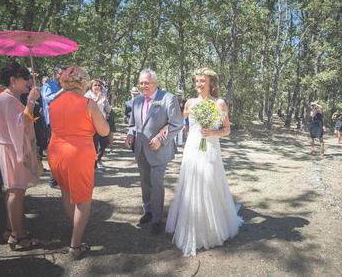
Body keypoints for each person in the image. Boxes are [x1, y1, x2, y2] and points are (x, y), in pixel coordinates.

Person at [165, 67, 242, 257]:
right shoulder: (190, 103)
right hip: (192, 148)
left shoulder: (220, 103)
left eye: (202, 81)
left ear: (211, 83)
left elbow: (227, 130)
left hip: (210, 149)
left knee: (209, 184)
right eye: (197, 81)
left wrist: (213, 133)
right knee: (191, 184)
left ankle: (212, 229)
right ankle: (190, 226)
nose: (199, 84)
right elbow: (178, 122)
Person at [47, 67, 109, 259]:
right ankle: (75, 246)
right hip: (77, 154)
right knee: (83, 199)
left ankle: (76, 227)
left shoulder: (54, 103)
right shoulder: (88, 103)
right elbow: (105, 131)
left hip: (56, 151)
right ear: (82, 83)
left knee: (66, 191)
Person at [124, 69, 183, 235]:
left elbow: (177, 124)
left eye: (147, 83)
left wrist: (160, 139)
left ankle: (157, 219)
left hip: (159, 150)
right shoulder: (136, 101)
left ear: (155, 83)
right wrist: (129, 135)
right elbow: (132, 125)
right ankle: (147, 211)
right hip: (140, 149)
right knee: (145, 182)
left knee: (156, 183)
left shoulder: (168, 98)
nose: (144, 86)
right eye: (141, 83)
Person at [0, 62, 41, 250]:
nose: (29, 82)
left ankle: (11, 228)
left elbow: (21, 121)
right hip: (13, 149)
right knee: (16, 191)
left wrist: (29, 100)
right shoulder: (6, 99)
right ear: (13, 80)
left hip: (12, 147)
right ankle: (17, 234)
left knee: (14, 191)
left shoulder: (10, 98)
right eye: (25, 78)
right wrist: (31, 100)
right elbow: (20, 124)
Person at [41, 66, 64, 187]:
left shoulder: (66, 86)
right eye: (62, 73)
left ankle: (61, 176)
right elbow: (48, 99)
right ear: (56, 74)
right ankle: (53, 178)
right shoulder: (48, 86)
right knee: (54, 152)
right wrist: (62, 91)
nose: (65, 76)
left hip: (65, 122)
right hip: (52, 123)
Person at [85, 79, 111, 168]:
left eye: (99, 85)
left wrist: (105, 103)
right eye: (95, 85)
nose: (97, 87)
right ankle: (93, 164)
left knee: (104, 143)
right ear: (91, 87)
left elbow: (108, 110)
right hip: (91, 123)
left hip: (102, 123)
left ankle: (97, 159)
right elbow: (88, 108)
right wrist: (97, 99)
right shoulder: (87, 95)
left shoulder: (103, 95)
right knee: (94, 144)